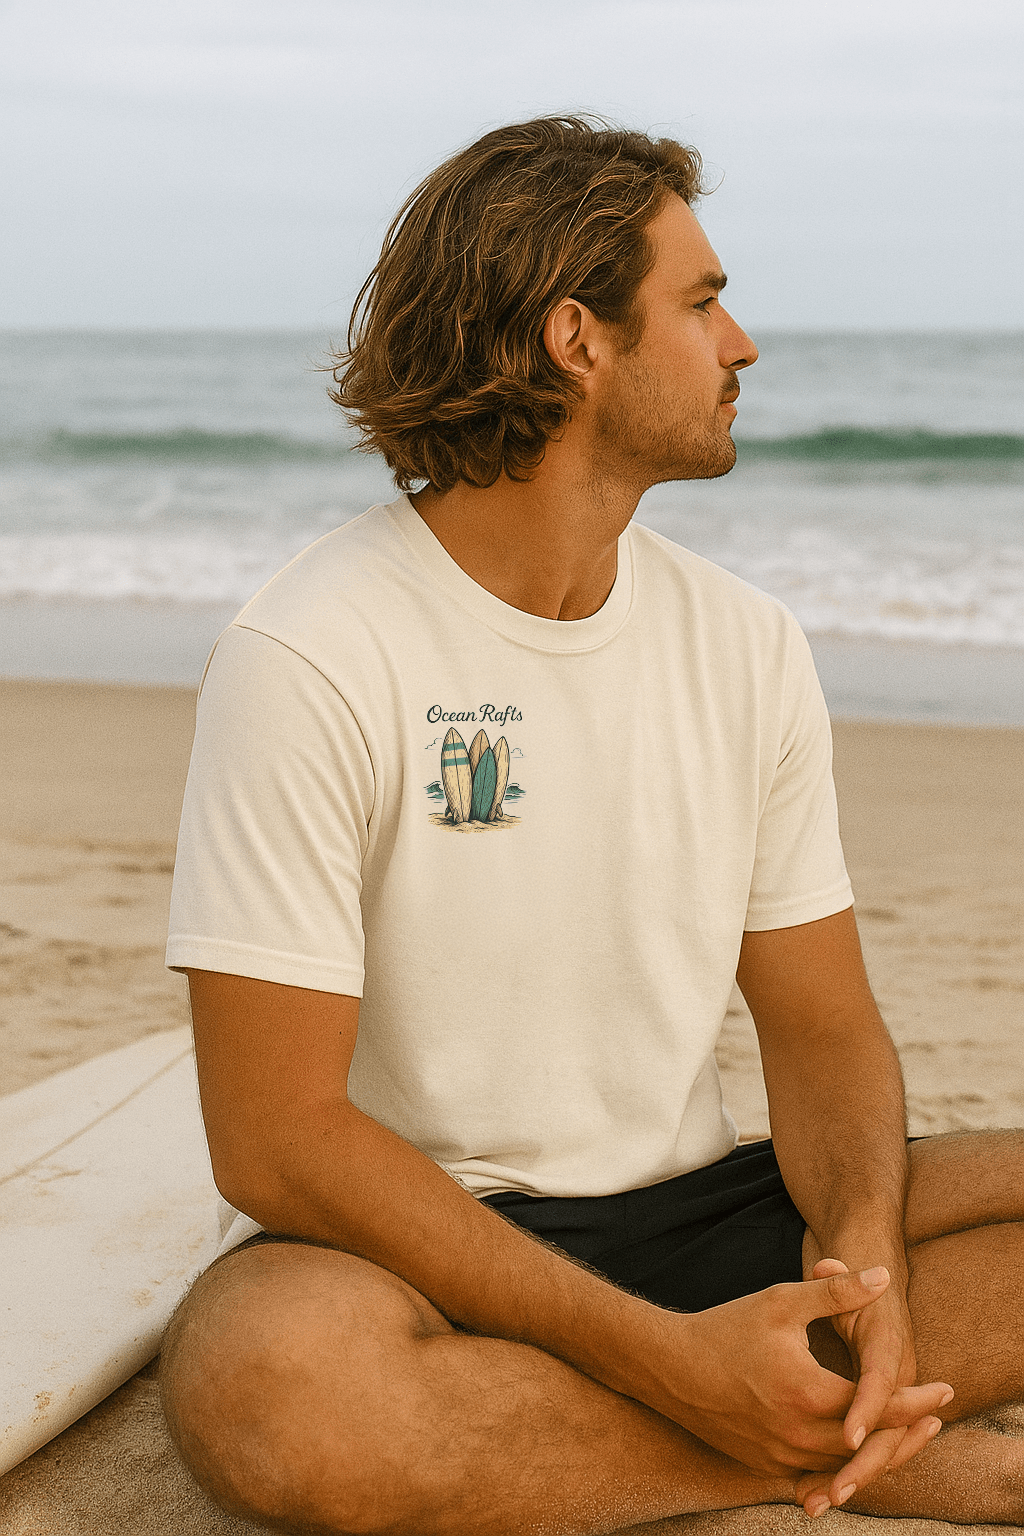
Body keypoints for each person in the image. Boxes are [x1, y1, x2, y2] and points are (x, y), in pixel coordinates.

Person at [160, 117, 1024, 1534]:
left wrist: (865, 1272)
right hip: (421, 1252)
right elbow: (275, 1141)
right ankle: (873, 1453)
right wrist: (669, 1365)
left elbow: (818, 1023)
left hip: (711, 1212)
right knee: (271, 1392)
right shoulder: (314, 649)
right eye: (699, 302)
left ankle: (783, 1411)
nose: (741, 343)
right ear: (578, 337)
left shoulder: (745, 643)